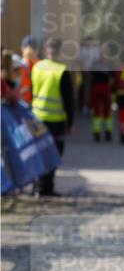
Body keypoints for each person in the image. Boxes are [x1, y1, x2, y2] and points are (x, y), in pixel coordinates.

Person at [31, 38, 75, 197]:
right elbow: (69, 100)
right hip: (55, 120)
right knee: (54, 152)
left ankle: (37, 186)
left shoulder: (37, 67)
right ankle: (46, 187)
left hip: (36, 117)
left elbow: (31, 90)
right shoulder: (61, 70)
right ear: (59, 51)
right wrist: (71, 123)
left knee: (38, 152)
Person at [90, 70, 114, 142]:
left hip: (100, 86)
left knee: (105, 111)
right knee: (100, 111)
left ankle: (105, 132)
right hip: (101, 86)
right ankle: (101, 132)